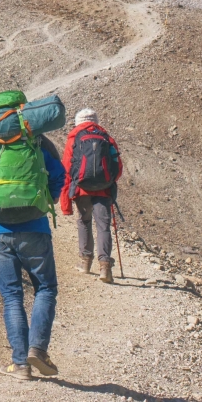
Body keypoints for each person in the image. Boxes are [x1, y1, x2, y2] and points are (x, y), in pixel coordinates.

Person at [0, 90, 65, 379]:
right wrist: (41, 201)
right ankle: (37, 349)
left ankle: (20, 364)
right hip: (35, 228)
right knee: (45, 288)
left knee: (12, 297)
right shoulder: (39, 143)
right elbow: (59, 176)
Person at [59, 107, 124, 283]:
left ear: (78, 122)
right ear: (96, 121)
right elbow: (118, 167)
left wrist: (65, 203)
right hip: (104, 189)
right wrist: (109, 182)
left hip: (82, 189)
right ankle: (105, 267)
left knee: (84, 221)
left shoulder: (74, 138)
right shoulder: (107, 138)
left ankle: (85, 262)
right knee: (103, 226)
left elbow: (66, 169)